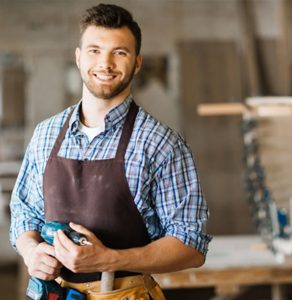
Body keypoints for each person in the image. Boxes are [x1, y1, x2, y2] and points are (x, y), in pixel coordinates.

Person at [9, 3, 211, 299]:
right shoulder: (45, 134)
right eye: (94, 50)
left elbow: (191, 246)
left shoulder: (161, 144)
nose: (105, 63)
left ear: (137, 62)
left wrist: (111, 259)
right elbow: (25, 213)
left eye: (120, 52)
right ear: (78, 58)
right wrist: (31, 250)